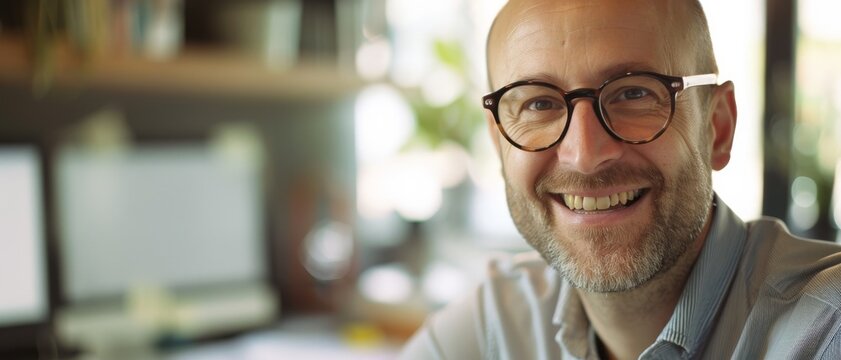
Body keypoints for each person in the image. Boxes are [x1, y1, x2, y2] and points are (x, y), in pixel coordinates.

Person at [399, 0, 841, 359]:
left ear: (717, 128)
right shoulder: (498, 323)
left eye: (634, 93)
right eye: (538, 104)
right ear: (499, 145)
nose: (585, 155)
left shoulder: (825, 331)